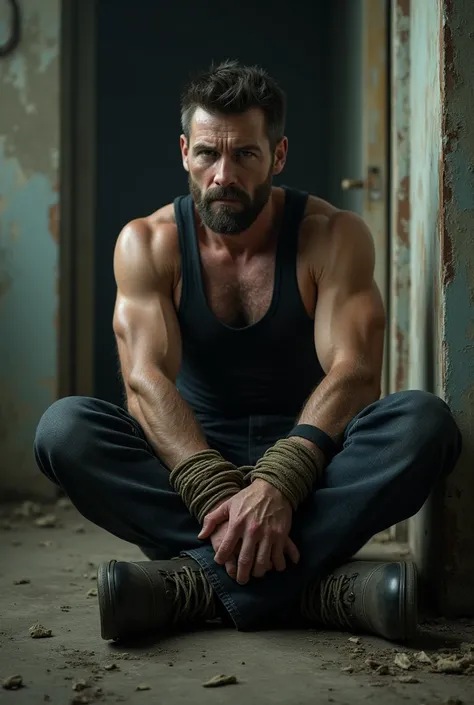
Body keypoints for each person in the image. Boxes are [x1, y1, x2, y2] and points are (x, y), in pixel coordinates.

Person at [34, 60, 461, 643]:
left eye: (246, 156)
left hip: (312, 469)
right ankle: (317, 590)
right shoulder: (149, 242)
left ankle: (191, 586)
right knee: (64, 431)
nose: (222, 175)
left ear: (278, 156)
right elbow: (145, 380)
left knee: (423, 423)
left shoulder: (333, 236)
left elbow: (356, 373)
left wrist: (281, 484)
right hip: (192, 473)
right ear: (185, 151)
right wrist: (215, 488)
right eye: (208, 154)